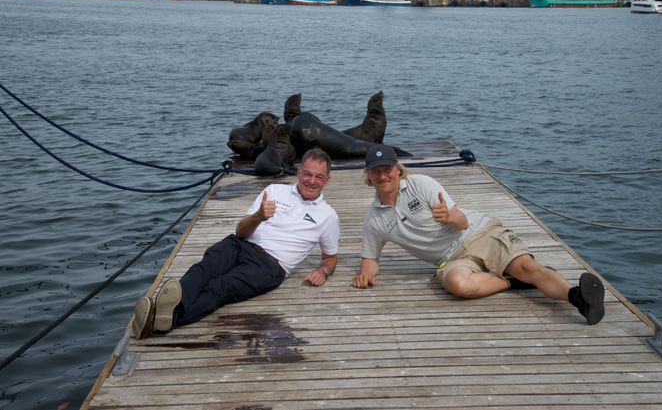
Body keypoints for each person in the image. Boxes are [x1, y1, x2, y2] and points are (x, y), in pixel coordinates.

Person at [352, 144, 605, 325]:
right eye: (376, 171)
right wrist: (366, 276)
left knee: (527, 266)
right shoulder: (373, 220)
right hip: (451, 259)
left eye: (387, 169)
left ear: (398, 170)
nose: (383, 175)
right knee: (457, 285)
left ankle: (577, 298)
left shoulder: (422, 184)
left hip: (479, 232)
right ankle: (513, 280)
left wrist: (451, 217)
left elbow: (461, 223)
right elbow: (370, 260)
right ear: (368, 176)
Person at [133, 148, 340, 338]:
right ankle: (162, 312)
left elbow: (330, 257)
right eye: (307, 173)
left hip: (269, 265)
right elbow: (241, 231)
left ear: (327, 180)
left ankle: (160, 320)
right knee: (204, 269)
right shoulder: (275, 190)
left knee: (220, 288)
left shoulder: (328, 216)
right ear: (298, 171)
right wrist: (258, 216)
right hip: (240, 243)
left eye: (319, 177)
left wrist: (324, 272)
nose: (311, 181)